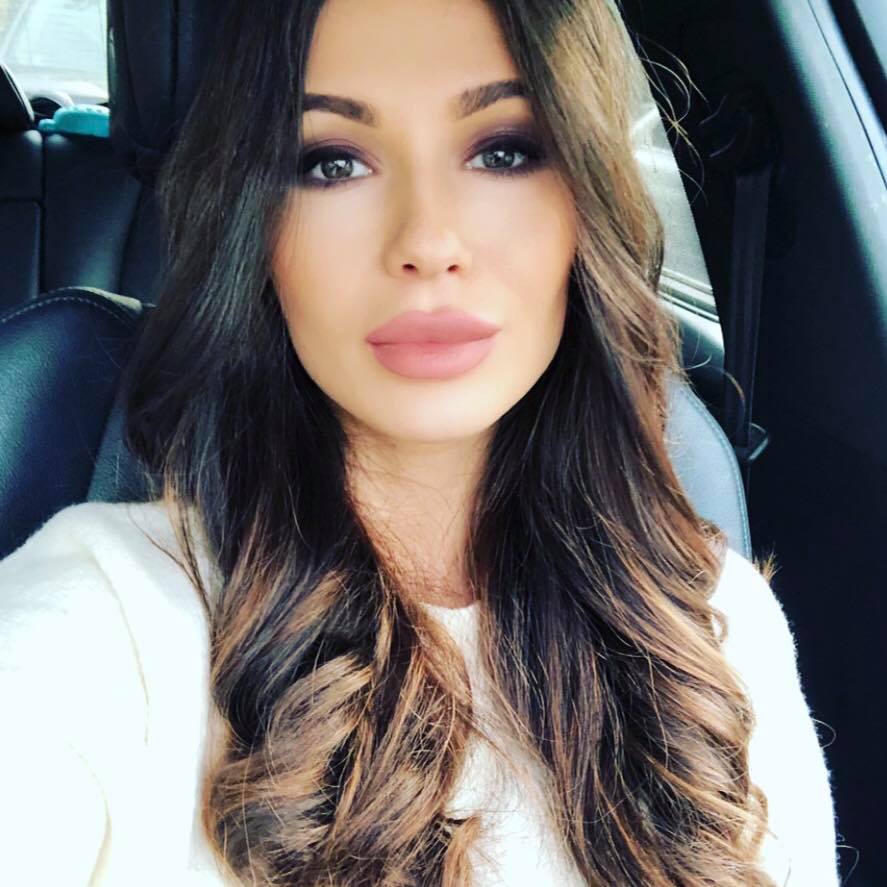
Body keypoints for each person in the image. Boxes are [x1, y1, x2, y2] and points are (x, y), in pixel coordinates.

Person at [0, 0, 840, 884]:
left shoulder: (718, 626)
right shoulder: (103, 625)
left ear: (585, 201)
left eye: (503, 150)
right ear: (256, 227)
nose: (427, 243)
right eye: (331, 163)